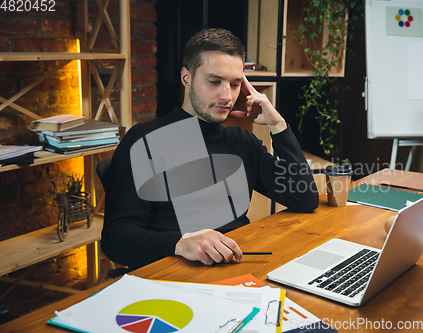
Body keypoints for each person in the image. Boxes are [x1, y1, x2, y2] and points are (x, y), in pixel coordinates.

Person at [101, 28, 319, 269]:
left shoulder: (242, 141)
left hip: (238, 265)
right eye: (215, 81)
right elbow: (115, 239)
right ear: (187, 78)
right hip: (174, 272)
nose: (227, 95)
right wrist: (180, 243)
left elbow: (303, 199)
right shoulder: (144, 141)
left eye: (236, 84)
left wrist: (278, 125)